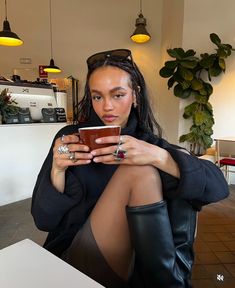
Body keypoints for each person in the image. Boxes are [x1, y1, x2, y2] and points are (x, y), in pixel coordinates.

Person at [31, 49, 229, 288]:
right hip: (75, 259)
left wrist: (159, 157)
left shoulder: (150, 145)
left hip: (136, 264)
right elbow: (43, 221)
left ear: (135, 95)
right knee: (139, 171)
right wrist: (57, 170)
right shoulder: (69, 140)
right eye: (97, 97)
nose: (106, 107)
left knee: (167, 163)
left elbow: (218, 187)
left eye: (118, 95)